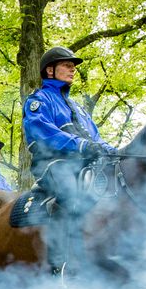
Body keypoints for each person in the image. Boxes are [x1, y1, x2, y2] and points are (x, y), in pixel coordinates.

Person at [22, 46, 117, 277]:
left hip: (84, 165)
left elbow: (95, 138)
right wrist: (82, 145)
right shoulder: (38, 100)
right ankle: (60, 264)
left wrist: (114, 151)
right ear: (50, 70)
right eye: (67, 65)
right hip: (53, 165)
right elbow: (42, 131)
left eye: (73, 66)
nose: (72, 69)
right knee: (72, 192)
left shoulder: (79, 109)